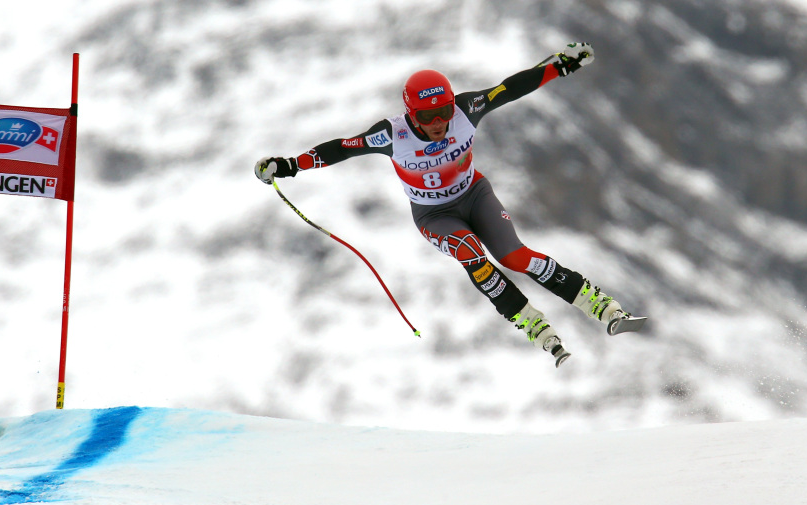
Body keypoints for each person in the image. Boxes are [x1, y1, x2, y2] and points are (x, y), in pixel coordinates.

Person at [255, 43, 642, 367]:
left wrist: (558, 67)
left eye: (444, 111)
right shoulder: (392, 134)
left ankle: (601, 306)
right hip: (434, 215)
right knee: (471, 252)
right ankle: (531, 322)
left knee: (516, 256)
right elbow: (341, 148)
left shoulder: (467, 108)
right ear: (411, 114)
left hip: (475, 195)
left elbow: (511, 87)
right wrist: (289, 166)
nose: (440, 122)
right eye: (428, 116)